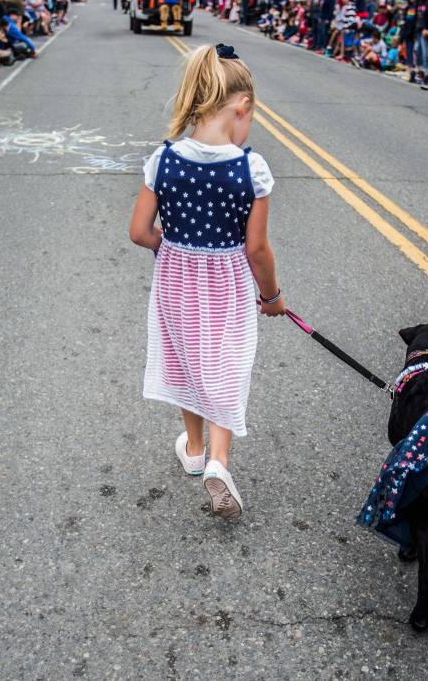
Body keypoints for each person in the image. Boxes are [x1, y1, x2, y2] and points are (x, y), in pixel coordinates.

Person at [129, 43, 285, 520]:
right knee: (224, 365)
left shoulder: (164, 159)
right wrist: (272, 297)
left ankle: (193, 449)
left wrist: (170, 249)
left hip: (176, 280)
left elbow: (137, 232)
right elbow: (256, 248)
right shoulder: (250, 168)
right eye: (250, 117)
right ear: (241, 106)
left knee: (187, 362)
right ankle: (219, 461)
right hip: (229, 284)